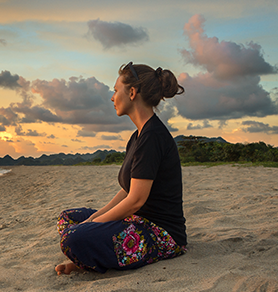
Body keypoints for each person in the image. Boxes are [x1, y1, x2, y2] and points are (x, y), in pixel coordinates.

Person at [55, 62, 187, 275]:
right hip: (135, 221)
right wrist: (92, 219)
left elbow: (136, 200)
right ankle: (87, 257)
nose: (112, 97)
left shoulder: (153, 136)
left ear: (132, 92)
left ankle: (86, 260)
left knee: (74, 238)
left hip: (160, 234)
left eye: (116, 90)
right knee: (68, 218)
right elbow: (127, 191)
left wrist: (92, 225)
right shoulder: (138, 136)